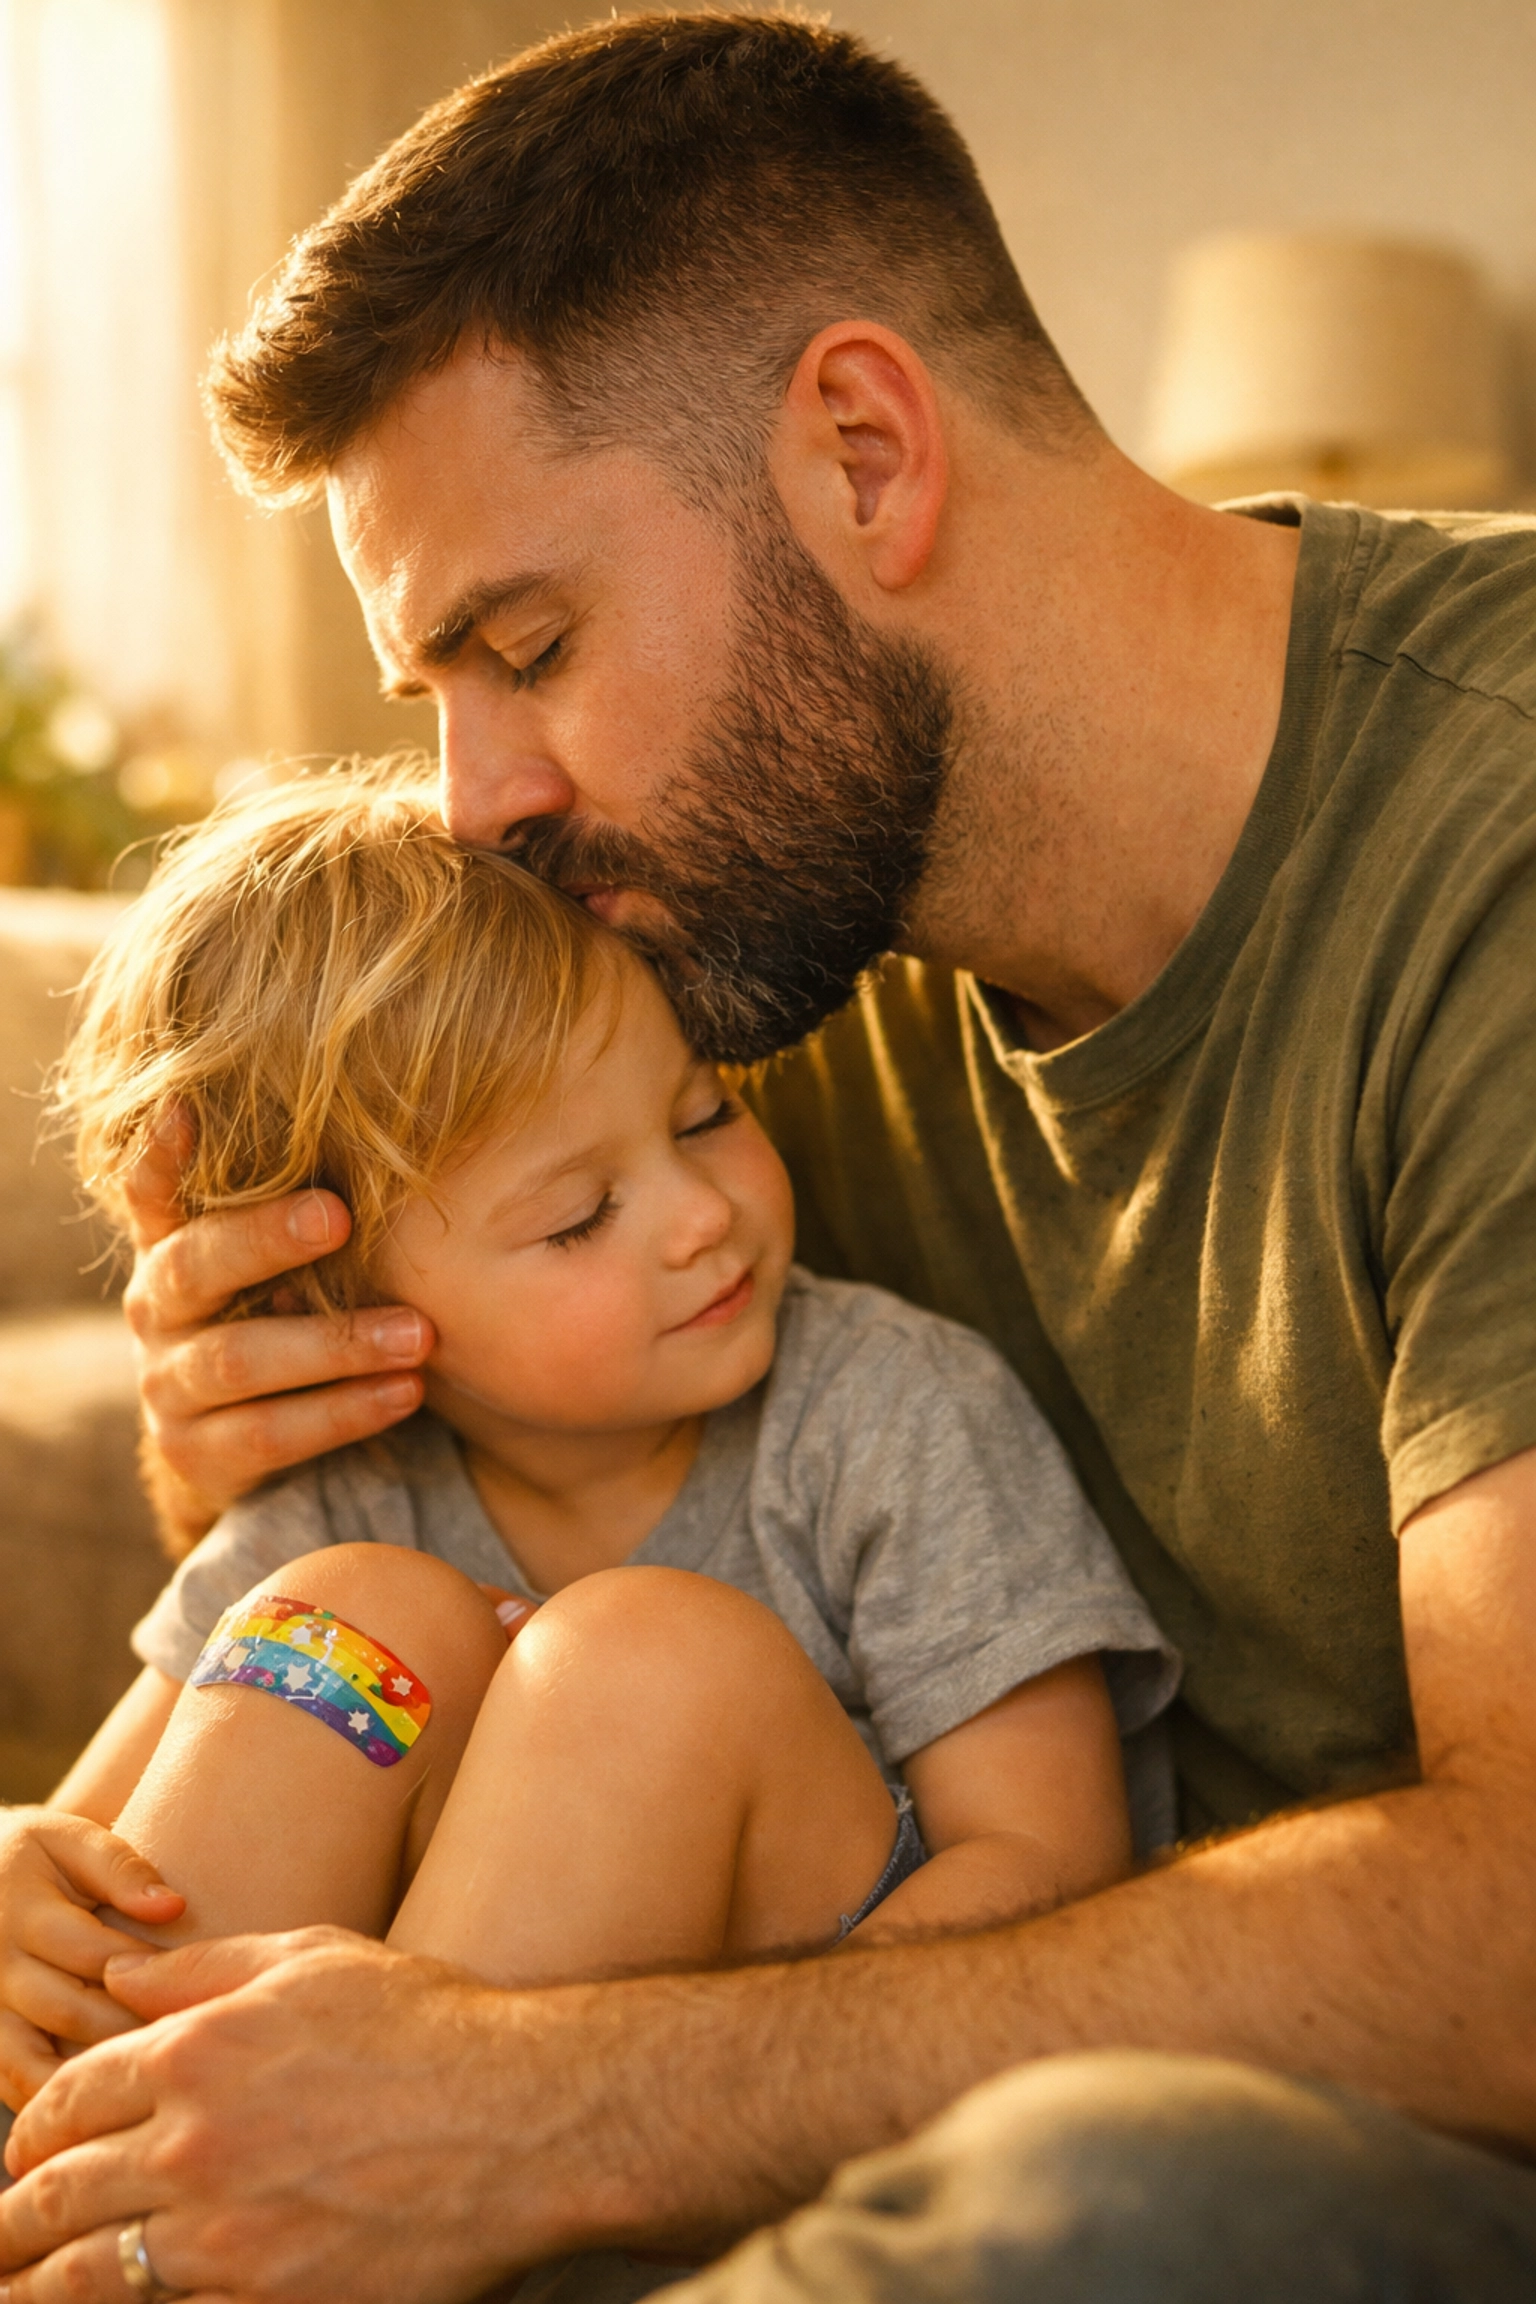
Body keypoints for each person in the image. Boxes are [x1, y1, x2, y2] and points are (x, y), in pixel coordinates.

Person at [2, 10, 1536, 2303]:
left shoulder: (1486, 841)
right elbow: (426, 1529)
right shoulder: (730, 946)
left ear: (859, 450)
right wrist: (278, 1431)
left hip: (1350, 2149)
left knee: (1124, 2203)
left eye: (524, 643)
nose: (474, 799)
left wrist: (529, 2108)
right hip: (854, 2096)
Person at [0, 766, 1172, 2122]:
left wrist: (689, 2081)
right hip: (321, 2164)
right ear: (352, 1309)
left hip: (782, 2106)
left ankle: (403, 2169)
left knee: (634, 1665)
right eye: (578, 1216)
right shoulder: (342, 1505)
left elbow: (1054, 1866)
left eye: (705, 1115)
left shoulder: (892, 1413)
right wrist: (28, 1878)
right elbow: (95, 1846)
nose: (698, 1216)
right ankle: (105, 2204)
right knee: (339, 1619)